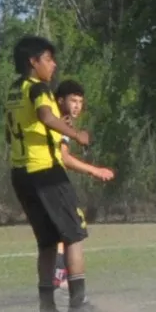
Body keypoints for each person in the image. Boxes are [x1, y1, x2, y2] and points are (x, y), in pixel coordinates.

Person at [5, 35, 96, 312]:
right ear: (33, 62)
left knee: (47, 242)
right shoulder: (39, 88)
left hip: (21, 174)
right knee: (74, 233)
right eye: (48, 59)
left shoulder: (13, 91)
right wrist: (78, 135)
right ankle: (79, 304)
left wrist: (59, 128)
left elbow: (26, 127)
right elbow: (45, 115)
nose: (53, 64)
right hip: (45, 171)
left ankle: (47, 310)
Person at [50, 79, 115, 290]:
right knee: (74, 229)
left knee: (60, 230)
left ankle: (57, 273)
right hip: (51, 180)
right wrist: (95, 170)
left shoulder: (59, 121)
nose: (77, 105)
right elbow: (64, 158)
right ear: (61, 100)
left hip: (41, 180)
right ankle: (61, 276)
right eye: (73, 100)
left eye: (80, 101)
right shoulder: (60, 123)